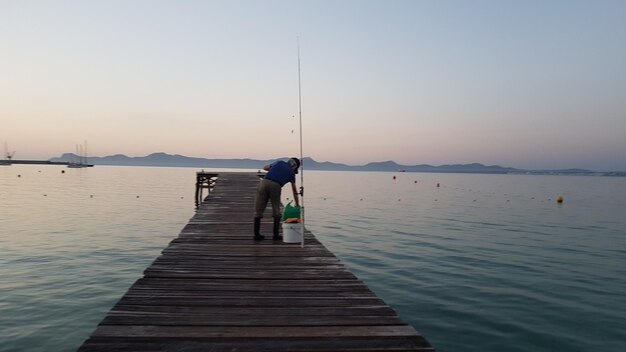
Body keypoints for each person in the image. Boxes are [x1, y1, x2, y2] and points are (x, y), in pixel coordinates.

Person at [254, 157, 300, 241]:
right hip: (276, 185)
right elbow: (294, 190)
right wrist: (297, 203)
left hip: (264, 182)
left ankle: (256, 235)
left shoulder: (279, 162)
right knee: (276, 209)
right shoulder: (291, 174)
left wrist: (275, 170)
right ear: (294, 166)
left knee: (259, 209)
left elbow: (265, 167)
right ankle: (275, 235)